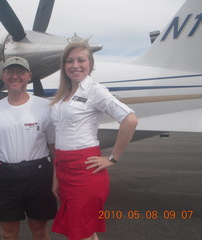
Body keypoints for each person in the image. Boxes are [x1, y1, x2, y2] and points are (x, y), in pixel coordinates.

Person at [50, 41, 138, 240]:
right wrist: (56, 177)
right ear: (64, 66)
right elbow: (60, 138)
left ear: (90, 63)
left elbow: (130, 119)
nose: (75, 65)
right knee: (85, 231)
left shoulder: (94, 91)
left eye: (81, 60)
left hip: (84, 170)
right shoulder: (64, 95)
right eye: (70, 61)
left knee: (80, 233)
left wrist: (112, 158)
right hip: (63, 169)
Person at [0, 56, 57, 240]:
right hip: (7, 178)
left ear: (29, 75)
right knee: (8, 233)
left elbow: (54, 147)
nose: (15, 76)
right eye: (10, 72)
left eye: (20, 71)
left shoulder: (44, 107)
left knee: (39, 231)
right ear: (3, 76)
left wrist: (57, 178)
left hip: (39, 176)